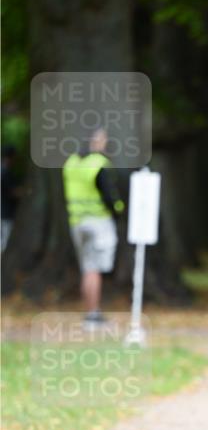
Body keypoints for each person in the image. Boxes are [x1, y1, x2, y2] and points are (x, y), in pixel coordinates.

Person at [62, 128, 124, 326]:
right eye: (103, 140)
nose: (104, 143)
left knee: (87, 268)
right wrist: (119, 210)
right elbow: (109, 195)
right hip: (98, 222)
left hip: (77, 222)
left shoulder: (71, 162)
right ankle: (93, 315)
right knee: (94, 269)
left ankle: (90, 312)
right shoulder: (98, 163)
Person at [1, 145, 20, 252]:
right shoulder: (6, 172)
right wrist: (26, 192)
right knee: (5, 243)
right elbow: (13, 192)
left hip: (3, 212)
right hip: (6, 213)